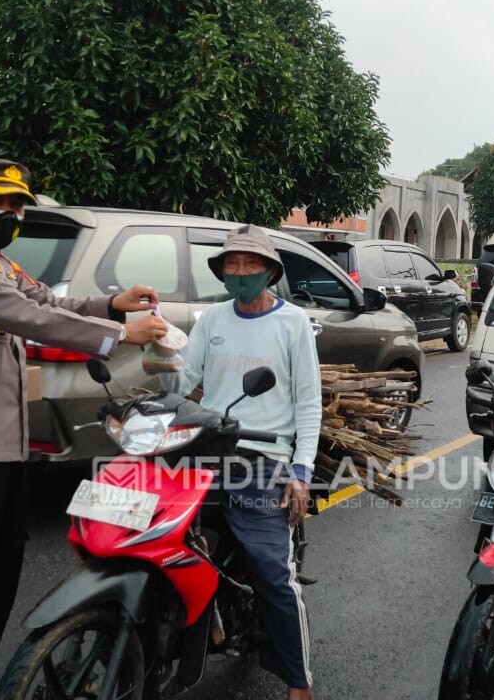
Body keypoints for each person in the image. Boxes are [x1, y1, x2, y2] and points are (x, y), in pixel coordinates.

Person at [0, 157, 167, 700]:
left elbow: (48, 301)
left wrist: (111, 301)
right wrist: (119, 332)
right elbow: (31, 320)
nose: (11, 214)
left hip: (1, 453)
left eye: (18, 205)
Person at [147, 225, 320, 700]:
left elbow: (308, 402)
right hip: (206, 447)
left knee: (271, 571)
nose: (241, 273)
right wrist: (159, 353)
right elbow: (183, 383)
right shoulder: (212, 320)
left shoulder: (293, 323)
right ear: (222, 271)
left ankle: (298, 682)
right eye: (232, 265)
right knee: (158, 538)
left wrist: (300, 472)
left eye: (251, 265)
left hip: (263, 456)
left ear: (269, 271)